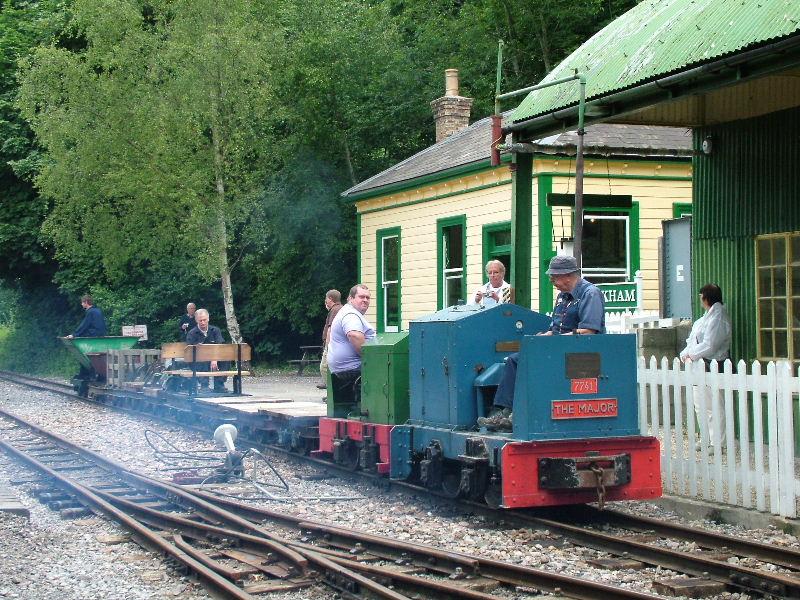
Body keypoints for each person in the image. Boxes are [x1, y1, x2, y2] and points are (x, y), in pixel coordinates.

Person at [478, 255, 605, 431]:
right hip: (558, 348)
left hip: (580, 353)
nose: (552, 281)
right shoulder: (562, 296)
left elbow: (589, 331)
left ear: (568, 275)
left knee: (528, 362)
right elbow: (555, 328)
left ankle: (516, 414)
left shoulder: (590, 294)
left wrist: (554, 341)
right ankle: (505, 412)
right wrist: (542, 337)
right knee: (514, 360)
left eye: (554, 277)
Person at [680, 283, 732, 452]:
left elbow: (711, 344)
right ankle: (706, 439)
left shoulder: (718, 318)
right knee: (700, 405)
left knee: (714, 405)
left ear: (706, 298)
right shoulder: (705, 319)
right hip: (699, 366)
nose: (700, 299)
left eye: (702, 296)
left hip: (713, 364)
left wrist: (691, 354)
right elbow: (692, 340)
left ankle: (718, 442)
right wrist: (685, 353)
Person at [326, 284, 375, 404]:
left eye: (368, 297)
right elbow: (354, 335)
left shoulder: (349, 312)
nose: (365, 300)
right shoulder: (350, 314)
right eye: (361, 297)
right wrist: (373, 361)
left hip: (346, 368)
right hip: (352, 368)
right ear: (350, 298)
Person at [186, 308, 227, 392]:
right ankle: (204, 386)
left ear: (208, 319)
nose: (203, 322)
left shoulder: (215, 330)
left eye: (204, 320)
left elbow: (220, 346)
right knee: (202, 359)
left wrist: (214, 359)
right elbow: (189, 351)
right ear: (196, 320)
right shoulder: (192, 333)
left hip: (214, 358)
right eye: (200, 320)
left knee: (225, 359)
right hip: (198, 360)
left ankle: (219, 385)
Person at [318, 289, 342, 389]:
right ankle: (330, 388)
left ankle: (331, 391)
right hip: (337, 344)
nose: (325, 301)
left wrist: (327, 347)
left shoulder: (334, 310)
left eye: (326, 299)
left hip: (332, 344)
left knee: (324, 367)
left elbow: (330, 328)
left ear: (330, 299)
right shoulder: (340, 308)